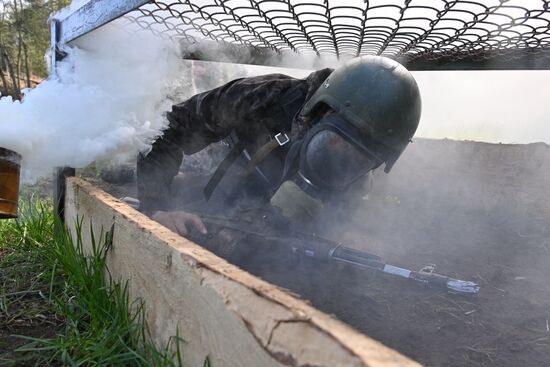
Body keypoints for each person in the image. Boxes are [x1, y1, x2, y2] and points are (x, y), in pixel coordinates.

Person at [137, 56, 421, 236]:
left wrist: (304, 224)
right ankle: (130, 171)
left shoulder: (359, 179)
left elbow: (335, 225)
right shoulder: (264, 97)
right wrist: (156, 207)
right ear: (321, 112)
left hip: (258, 204)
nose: (343, 158)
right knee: (176, 181)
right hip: (212, 172)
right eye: (334, 142)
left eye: (359, 159)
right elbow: (172, 127)